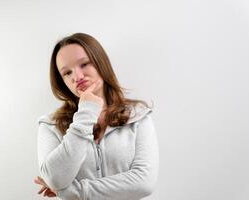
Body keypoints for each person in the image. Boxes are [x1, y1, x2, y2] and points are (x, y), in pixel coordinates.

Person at [34, 32, 159, 200]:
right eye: (67, 73)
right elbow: (55, 178)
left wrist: (69, 192)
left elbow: (144, 182)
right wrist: (87, 111)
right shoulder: (50, 125)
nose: (77, 77)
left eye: (84, 64)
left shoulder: (137, 116)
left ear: (101, 62)